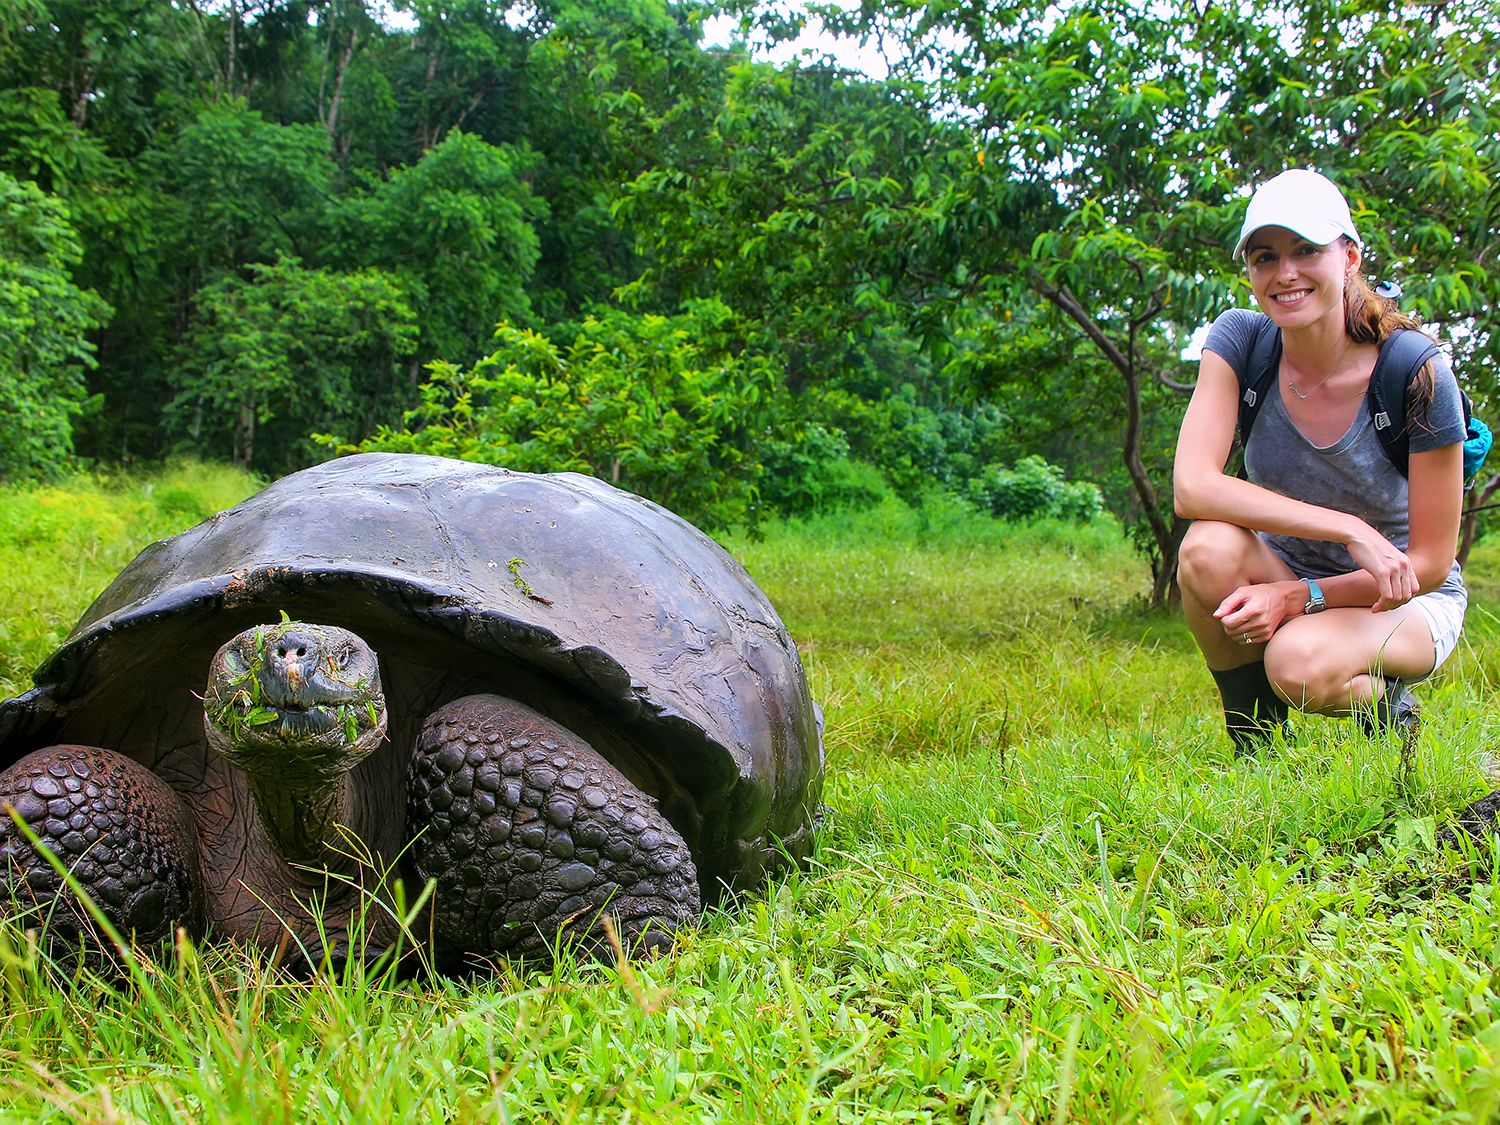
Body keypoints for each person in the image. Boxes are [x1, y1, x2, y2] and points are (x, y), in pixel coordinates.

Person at [1173, 168, 1467, 754]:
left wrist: (1301, 598)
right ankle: (1258, 747)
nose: (1285, 273)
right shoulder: (1241, 342)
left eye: (1306, 250)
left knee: (1296, 662)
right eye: (1264, 257)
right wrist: (1349, 529)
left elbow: (1430, 564)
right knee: (1205, 549)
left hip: (1404, 599)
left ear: (1350, 256)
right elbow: (1192, 488)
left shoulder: (1414, 370)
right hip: (1291, 567)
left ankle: (1387, 711)